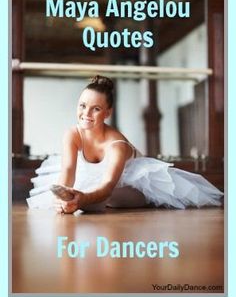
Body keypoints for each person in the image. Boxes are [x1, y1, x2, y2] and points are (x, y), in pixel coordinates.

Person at [27, 76, 223, 214]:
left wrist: (82, 199)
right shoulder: (72, 133)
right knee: (73, 192)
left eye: (96, 109)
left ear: (108, 113)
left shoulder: (117, 145)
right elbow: (68, 171)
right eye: (82, 105)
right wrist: (62, 198)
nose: (86, 114)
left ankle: (89, 200)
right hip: (95, 180)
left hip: (132, 184)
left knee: (105, 199)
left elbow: (107, 186)